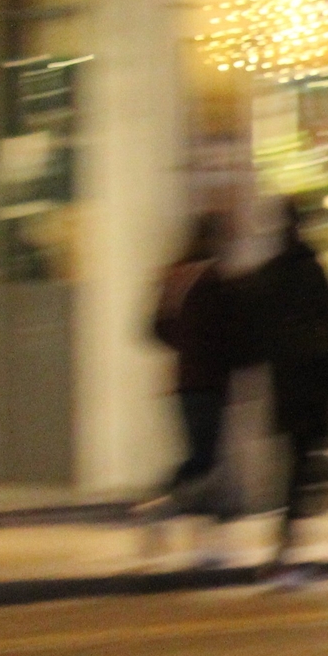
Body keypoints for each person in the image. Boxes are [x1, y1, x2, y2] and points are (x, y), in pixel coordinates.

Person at [241, 201, 328, 579]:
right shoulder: (312, 271)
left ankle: (284, 544)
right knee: (303, 471)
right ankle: (287, 544)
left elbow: (254, 329)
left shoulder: (270, 274)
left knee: (288, 467)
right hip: (311, 386)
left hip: (284, 386)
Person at [142, 211, 240, 528]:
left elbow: (156, 327)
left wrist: (184, 348)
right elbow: (224, 332)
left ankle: (211, 512)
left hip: (184, 379)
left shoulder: (176, 275)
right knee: (203, 456)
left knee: (203, 452)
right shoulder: (211, 279)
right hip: (209, 380)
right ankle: (164, 501)